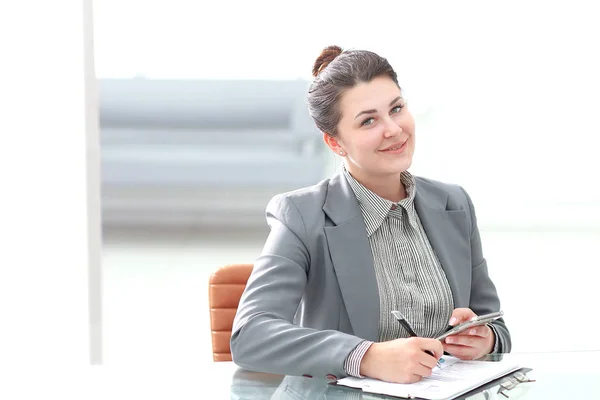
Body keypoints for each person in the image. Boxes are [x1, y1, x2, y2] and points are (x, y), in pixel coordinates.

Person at [230, 45, 511, 384]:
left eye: (397, 108)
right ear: (335, 143)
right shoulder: (302, 216)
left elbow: (496, 326)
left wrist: (484, 340)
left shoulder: (454, 203)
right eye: (368, 121)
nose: (393, 129)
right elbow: (250, 335)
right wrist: (366, 356)